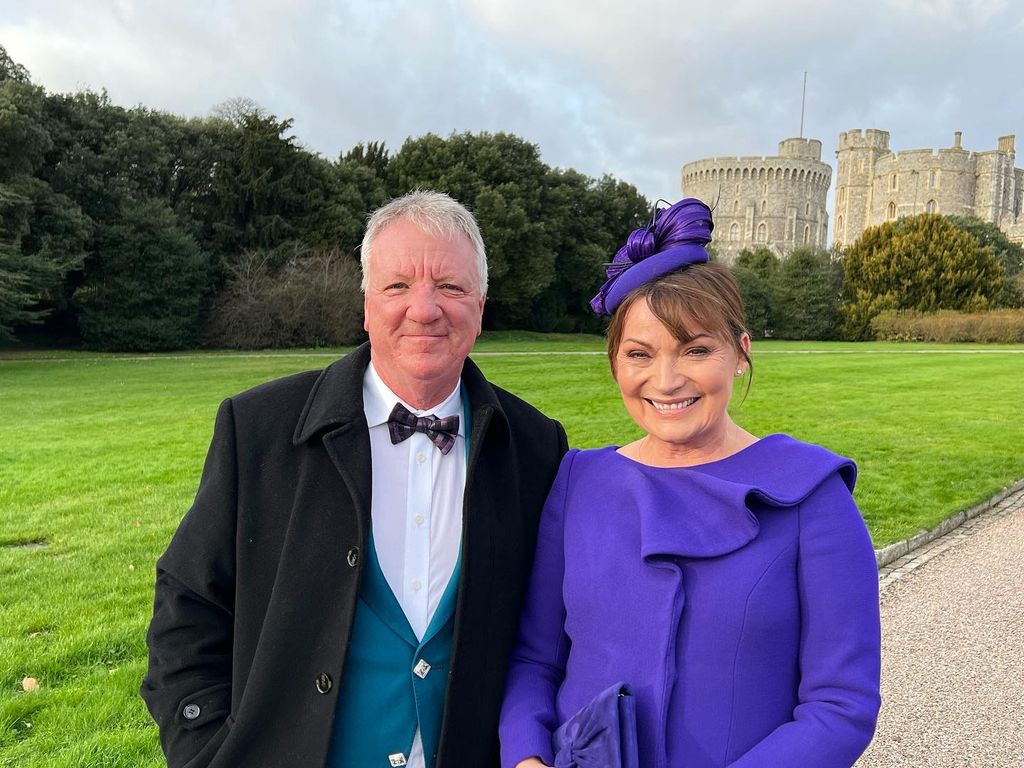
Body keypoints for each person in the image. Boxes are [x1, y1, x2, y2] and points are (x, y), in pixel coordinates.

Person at [141, 190, 568, 768]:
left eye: (450, 286)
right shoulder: (258, 428)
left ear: (481, 305)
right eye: (398, 286)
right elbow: (188, 608)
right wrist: (208, 752)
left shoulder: (538, 446)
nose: (424, 308)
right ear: (366, 304)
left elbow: (546, 637)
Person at [499, 198, 881, 768]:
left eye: (696, 350)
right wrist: (528, 759)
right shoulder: (580, 481)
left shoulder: (813, 495)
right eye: (640, 354)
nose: (667, 379)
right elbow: (535, 661)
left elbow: (840, 704)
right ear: (616, 365)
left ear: (741, 354)